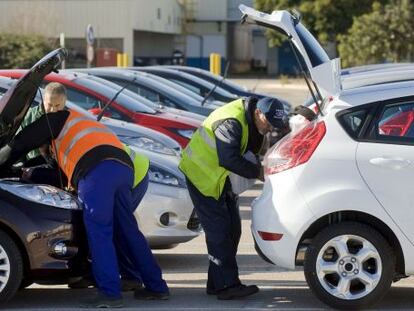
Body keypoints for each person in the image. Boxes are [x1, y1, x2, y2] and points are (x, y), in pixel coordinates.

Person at [0, 102, 169, 308]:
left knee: (99, 232)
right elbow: (55, 169)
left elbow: (22, 142)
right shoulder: (79, 120)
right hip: (123, 169)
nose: (44, 152)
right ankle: (157, 287)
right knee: (128, 230)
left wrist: (3, 159)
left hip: (97, 173)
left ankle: (109, 294)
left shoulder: (54, 120)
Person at [179, 96, 289, 300]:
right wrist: (259, 173)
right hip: (202, 176)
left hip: (220, 179)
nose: (269, 129)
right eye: (268, 124)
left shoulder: (251, 119)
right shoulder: (231, 122)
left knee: (232, 229)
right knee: (219, 231)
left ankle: (216, 283)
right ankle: (227, 286)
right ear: (258, 113)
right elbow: (228, 158)